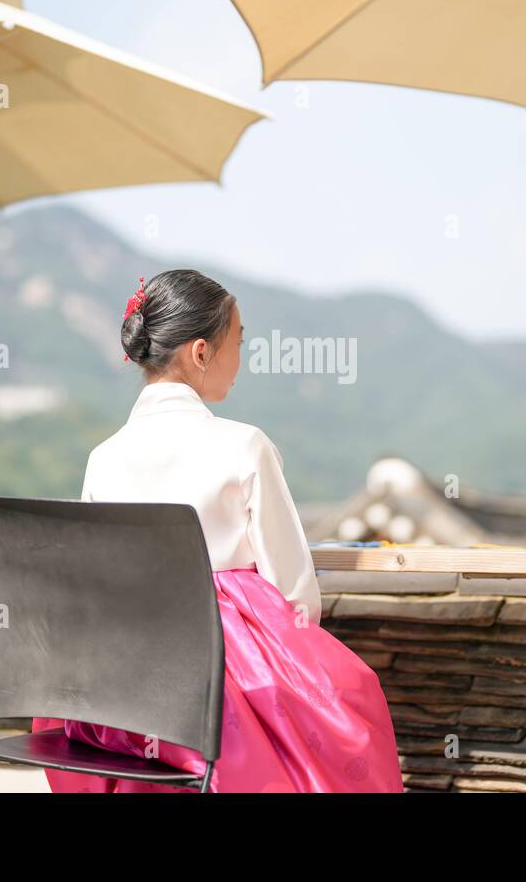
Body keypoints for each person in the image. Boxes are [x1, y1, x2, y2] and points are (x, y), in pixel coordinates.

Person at [32, 269, 403, 792]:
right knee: (351, 701)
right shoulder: (244, 446)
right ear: (201, 353)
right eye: (239, 344)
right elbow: (295, 596)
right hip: (211, 695)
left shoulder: (103, 458)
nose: (241, 361)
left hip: (115, 706)